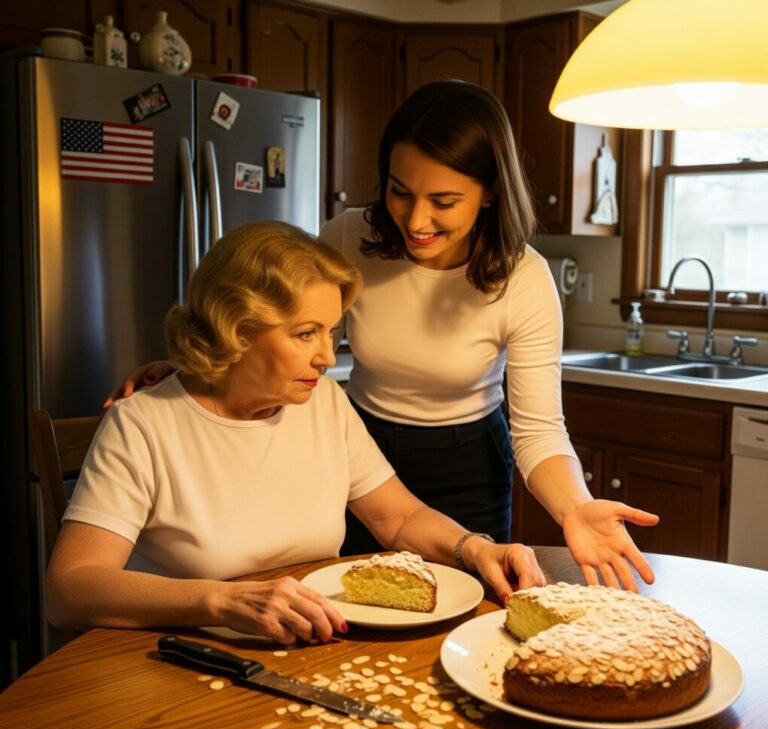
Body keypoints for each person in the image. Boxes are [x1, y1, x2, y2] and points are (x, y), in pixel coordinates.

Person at [104, 81, 659, 592]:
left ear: (489, 193)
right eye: (400, 192)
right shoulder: (351, 236)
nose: (415, 220)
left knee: (470, 598)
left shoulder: (524, 278)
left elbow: (538, 430)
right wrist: (201, 361)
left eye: (443, 202)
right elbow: (283, 329)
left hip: (467, 461)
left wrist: (574, 507)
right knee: (351, 600)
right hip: (360, 445)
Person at [47, 221, 545, 645]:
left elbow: (399, 517)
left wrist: (475, 549)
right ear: (236, 328)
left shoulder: (324, 403)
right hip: (188, 656)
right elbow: (69, 590)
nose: (327, 357)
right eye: (306, 334)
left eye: (332, 332)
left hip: (314, 644)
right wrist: (221, 600)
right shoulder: (142, 424)